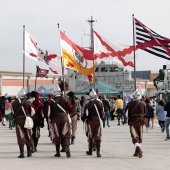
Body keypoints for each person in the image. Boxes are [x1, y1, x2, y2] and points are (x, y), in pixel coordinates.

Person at [49, 85, 72, 158]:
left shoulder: (51, 101)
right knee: (65, 134)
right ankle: (67, 148)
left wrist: (51, 119)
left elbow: (50, 113)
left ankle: (58, 152)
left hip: (56, 118)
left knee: (57, 135)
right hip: (64, 117)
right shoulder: (65, 99)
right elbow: (70, 108)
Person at [12, 88, 35, 158]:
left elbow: (13, 112)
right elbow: (33, 112)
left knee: (20, 136)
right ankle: (29, 153)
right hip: (26, 120)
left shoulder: (14, 103)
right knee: (28, 135)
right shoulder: (28, 102)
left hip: (18, 120)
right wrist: (29, 116)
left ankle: (22, 153)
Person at [82, 89, 104, 157]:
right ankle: (98, 152)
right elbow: (102, 113)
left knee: (90, 136)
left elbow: (86, 114)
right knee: (98, 136)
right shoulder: (100, 103)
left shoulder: (87, 104)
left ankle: (90, 151)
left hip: (90, 121)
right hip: (98, 121)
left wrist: (83, 119)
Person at [125, 90, 146, 158]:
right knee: (139, 136)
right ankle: (136, 152)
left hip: (133, 121)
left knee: (134, 136)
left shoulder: (129, 103)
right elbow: (145, 112)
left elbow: (126, 113)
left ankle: (138, 149)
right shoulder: (143, 103)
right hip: (140, 121)